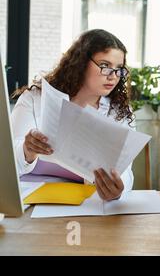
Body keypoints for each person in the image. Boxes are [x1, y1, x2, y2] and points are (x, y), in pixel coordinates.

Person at [11, 29, 134, 201]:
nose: (113, 77)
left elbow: (126, 173)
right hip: (28, 198)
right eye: (105, 66)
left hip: (85, 203)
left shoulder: (119, 113)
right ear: (81, 62)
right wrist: (27, 150)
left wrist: (118, 188)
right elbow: (7, 163)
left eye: (119, 69)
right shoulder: (34, 99)